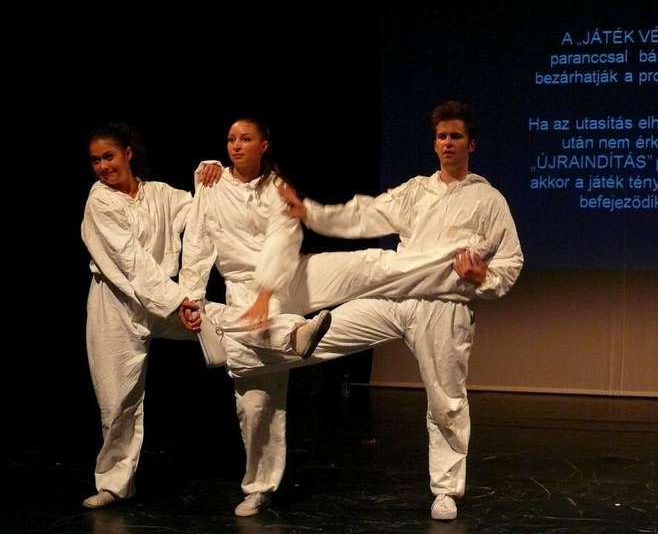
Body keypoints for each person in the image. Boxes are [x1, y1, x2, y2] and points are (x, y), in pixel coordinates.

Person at [277, 100, 523, 521]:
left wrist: (483, 276)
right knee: (323, 331)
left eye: (456, 136)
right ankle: (248, 344)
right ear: (434, 143)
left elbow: (511, 262)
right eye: (442, 136)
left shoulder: (488, 200)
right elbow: (366, 215)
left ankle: (445, 491)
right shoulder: (417, 191)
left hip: (444, 307)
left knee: (446, 402)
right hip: (397, 295)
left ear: (471, 144)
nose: (448, 143)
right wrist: (312, 213)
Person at [177, 117, 334, 517]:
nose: (236, 145)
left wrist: (265, 293)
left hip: (274, 289)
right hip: (236, 292)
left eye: (245, 139)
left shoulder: (277, 189)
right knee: (251, 403)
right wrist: (192, 296)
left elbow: (282, 243)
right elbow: (198, 241)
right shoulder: (212, 183)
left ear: (264, 145)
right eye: (231, 138)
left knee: (267, 397)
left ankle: (261, 486)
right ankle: (291, 335)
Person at [80, 123, 222, 509]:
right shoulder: (100, 201)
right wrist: (180, 302)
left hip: (164, 297)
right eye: (95, 160)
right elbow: (131, 263)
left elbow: (201, 212)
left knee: (220, 324)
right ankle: (114, 484)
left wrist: (212, 175)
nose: (102, 167)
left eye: (108, 156)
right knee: (117, 399)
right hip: (116, 302)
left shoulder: (159, 194)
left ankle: (286, 334)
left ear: (128, 153)